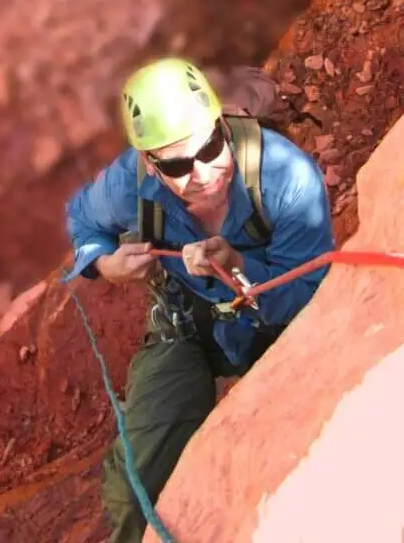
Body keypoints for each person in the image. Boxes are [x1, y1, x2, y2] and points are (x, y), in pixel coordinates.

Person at [64, 56, 335, 543]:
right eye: (176, 163)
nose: (203, 172)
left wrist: (239, 273)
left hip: (278, 326)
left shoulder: (286, 176)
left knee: (305, 464)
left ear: (220, 125)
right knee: (135, 492)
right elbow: (82, 221)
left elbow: (312, 294)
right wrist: (105, 264)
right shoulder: (132, 182)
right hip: (186, 323)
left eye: (211, 146)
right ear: (149, 162)